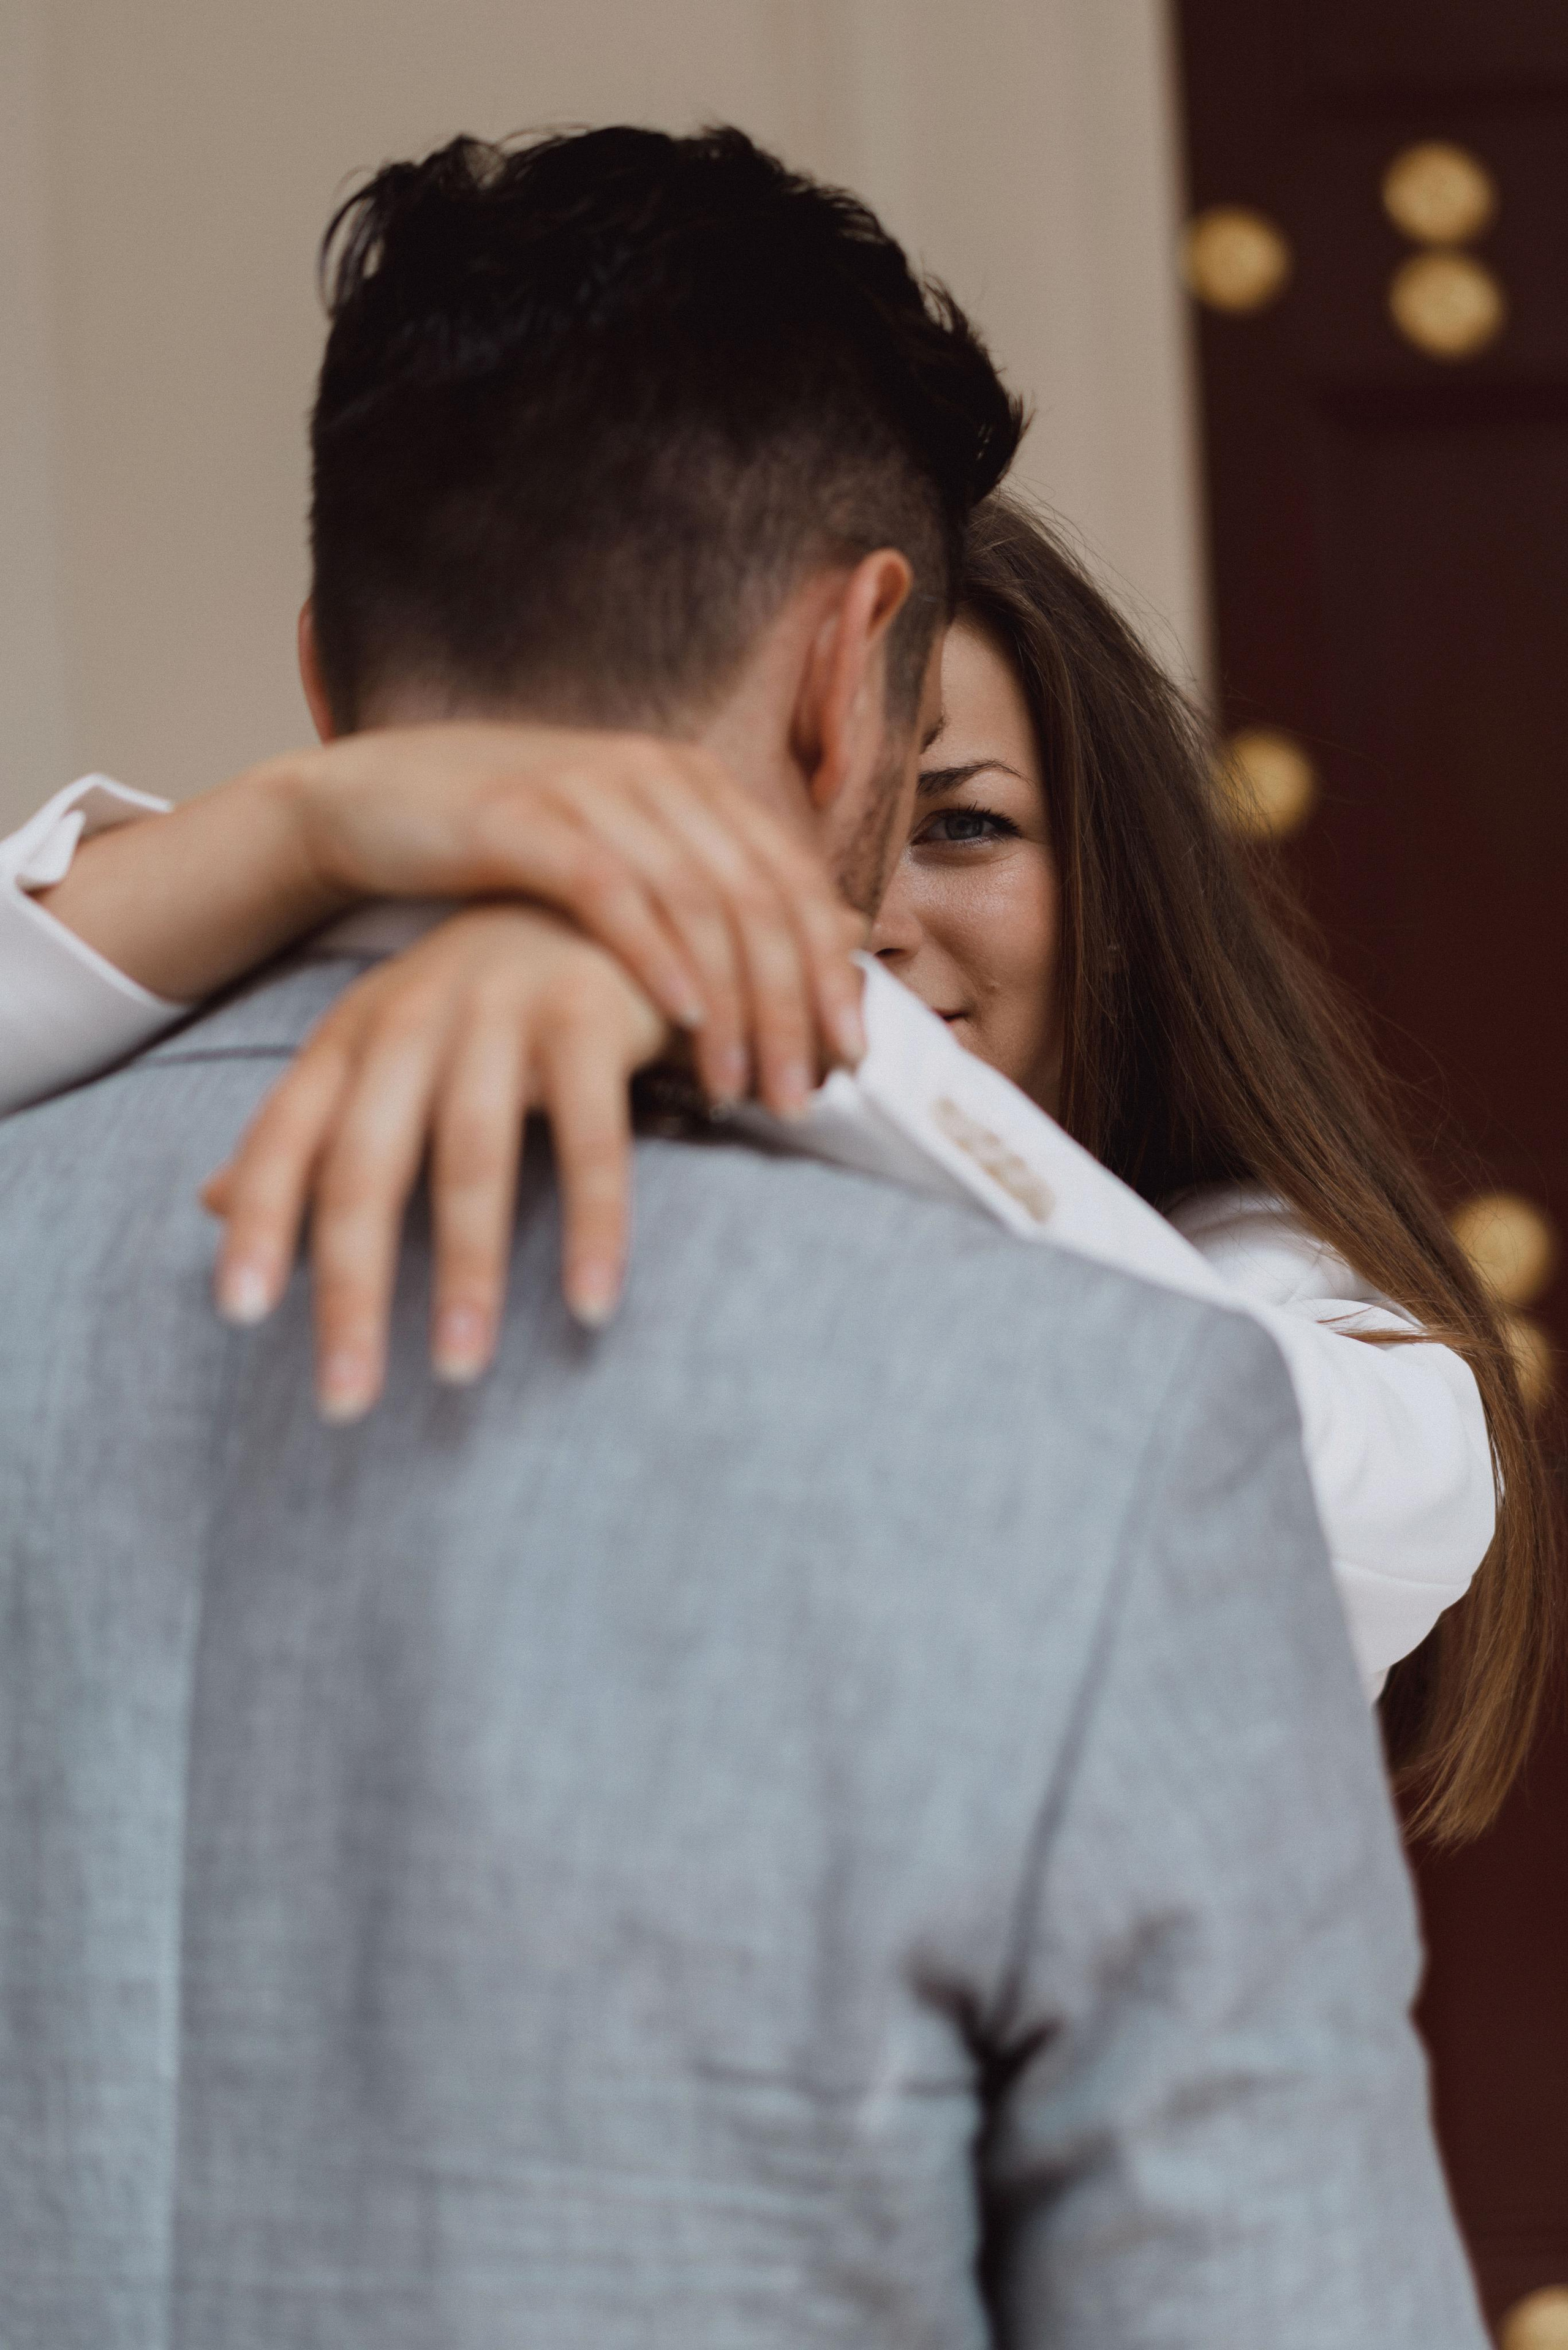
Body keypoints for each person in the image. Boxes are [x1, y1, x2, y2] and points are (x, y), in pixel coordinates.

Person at [0, 126, 1487, 2346]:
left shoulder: (1228, 1350)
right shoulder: (1093, 1438)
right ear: (842, 678)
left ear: (324, 665)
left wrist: (723, 994)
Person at [1, 533, 1545, 1850]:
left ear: (1112, 879)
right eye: (774, 844)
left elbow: (1273, 1475)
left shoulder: (1282, 1311)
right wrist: (299, 829)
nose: (864, 916)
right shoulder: (539, 1160)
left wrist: (756, 991)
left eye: (959, 825)